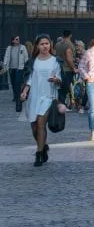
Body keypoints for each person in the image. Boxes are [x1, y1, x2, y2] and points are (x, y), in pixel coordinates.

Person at [20, 34, 61, 166]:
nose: (45, 46)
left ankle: (38, 154)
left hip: (49, 96)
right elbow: (29, 79)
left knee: (40, 124)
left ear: (51, 45)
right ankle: (43, 147)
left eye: (47, 43)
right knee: (34, 128)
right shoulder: (33, 61)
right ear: (37, 46)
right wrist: (25, 92)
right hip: (34, 97)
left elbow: (60, 80)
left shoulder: (56, 61)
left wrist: (56, 80)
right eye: (42, 44)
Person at [2, 35, 29, 112]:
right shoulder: (9, 48)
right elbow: (6, 57)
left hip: (20, 68)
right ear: (13, 41)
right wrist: (5, 65)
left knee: (18, 82)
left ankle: (18, 97)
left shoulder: (22, 47)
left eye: (18, 39)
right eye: (16, 39)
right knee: (13, 83)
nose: (18, 40)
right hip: (11, 68)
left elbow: (26, 57)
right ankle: (15, 95)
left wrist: (26, 65)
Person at [53, 30, 76, 105]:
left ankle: (60, 103)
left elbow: (55, 54)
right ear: (70, 35)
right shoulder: (69, 45)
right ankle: (62, 104)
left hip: (58, 68)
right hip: (67, 69)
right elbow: (69, 58)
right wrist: (74, 68)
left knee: (59, 88)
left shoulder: (57, 44)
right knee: (65, 89)